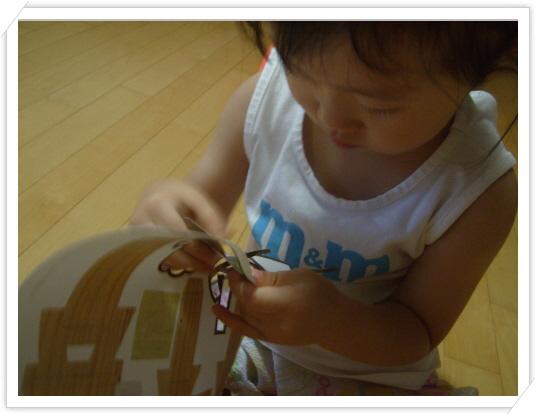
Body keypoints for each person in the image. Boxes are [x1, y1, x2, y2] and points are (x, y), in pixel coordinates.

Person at [130, 21, 518, 395]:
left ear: (479, 69)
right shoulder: (264, 99)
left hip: (366, 371)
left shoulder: (478, 191)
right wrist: (167, 210)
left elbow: (417, 330)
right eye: (302, 72)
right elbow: (201, 202)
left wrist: (335, 322)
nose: (329, 118)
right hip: (248, 336)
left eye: (379, 106)